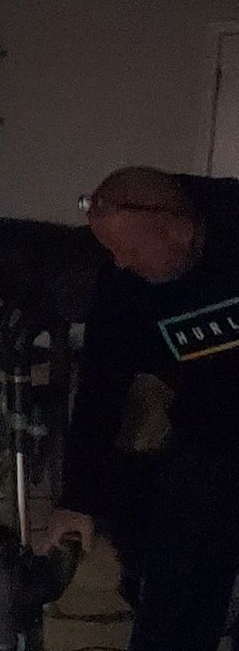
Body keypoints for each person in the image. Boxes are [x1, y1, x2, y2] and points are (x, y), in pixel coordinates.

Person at [53, 166, 239, 650]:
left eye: (130, 250)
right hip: (207, 429)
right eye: (110, 250)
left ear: (176, 227)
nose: (119, 263)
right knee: (176, 580)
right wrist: (78, 500)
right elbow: (100, 385)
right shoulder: (124, 283)